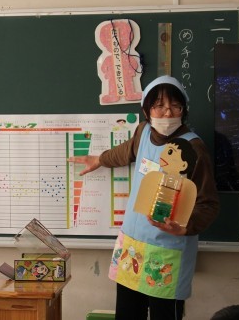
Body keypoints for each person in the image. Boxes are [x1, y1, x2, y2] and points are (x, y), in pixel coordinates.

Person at [69, 75, 220, 320]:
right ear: (146, 110)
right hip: (132, 245)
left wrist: (185, 227)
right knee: (128, 314)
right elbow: (126, 151)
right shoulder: (144, 131)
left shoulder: (193, 148)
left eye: (175, 106)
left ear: (184, 109)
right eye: (159, 105)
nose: (167, 112)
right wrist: (100, 159)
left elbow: (208, 203)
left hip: (167, 249)